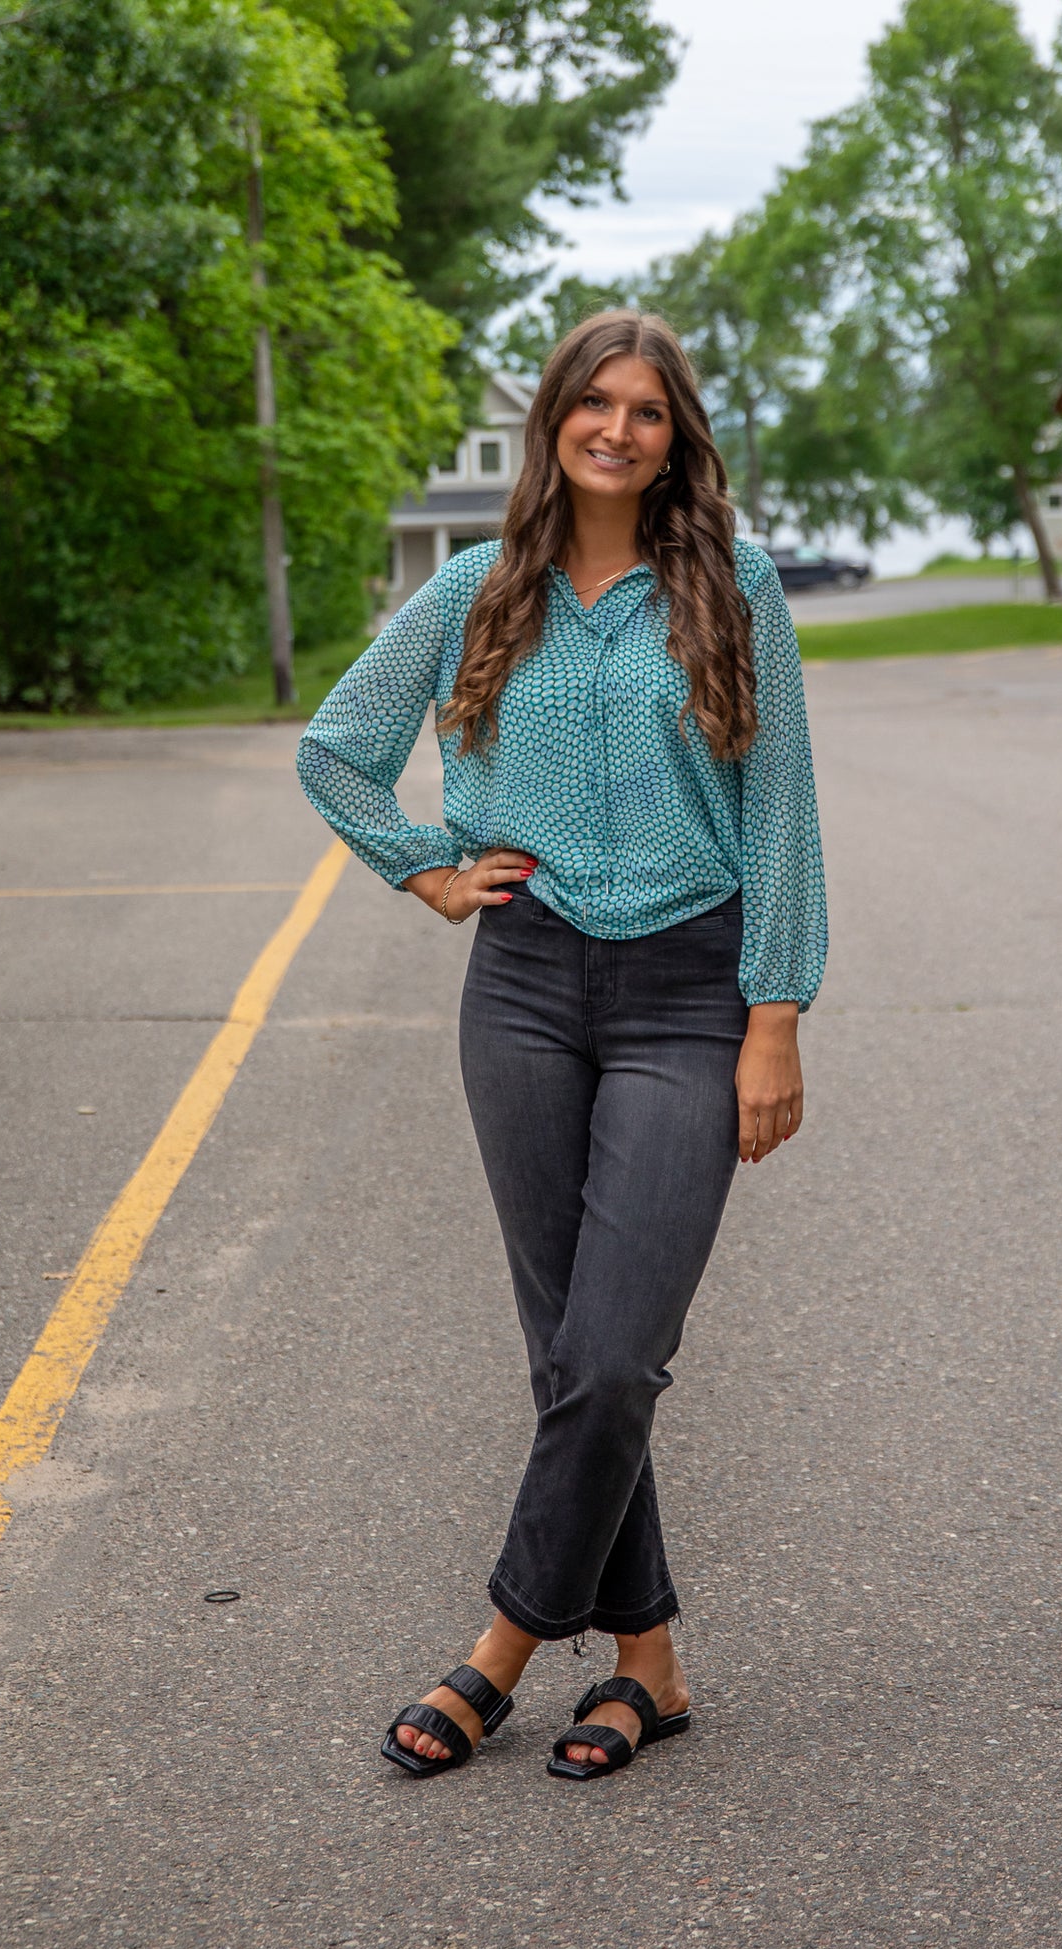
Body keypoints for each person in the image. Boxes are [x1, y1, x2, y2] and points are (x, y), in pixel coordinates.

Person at [296, 309, 826, 1782]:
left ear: (677, 437)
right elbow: (335, 745)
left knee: (610, 1350)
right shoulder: (478, 590)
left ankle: (501, 1647)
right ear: (552, 425)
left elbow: (778, 810)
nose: (615, 429)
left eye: (645, 410)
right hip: (522, 987)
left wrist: (772, 1011)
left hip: (685, 987)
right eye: (591, 404)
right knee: (572, 1356)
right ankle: (644, 1663)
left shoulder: (736, 587)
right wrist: (422, 866)